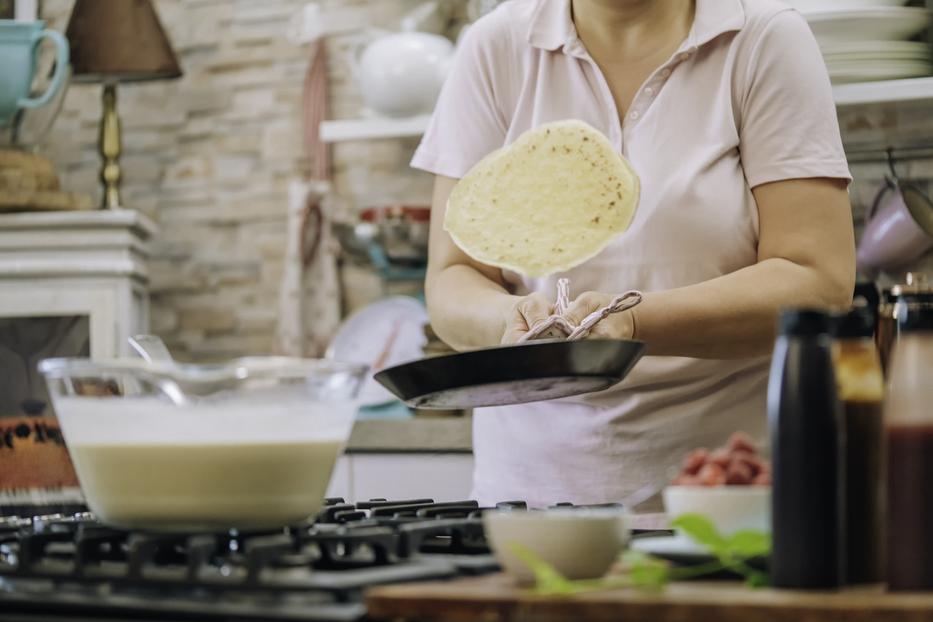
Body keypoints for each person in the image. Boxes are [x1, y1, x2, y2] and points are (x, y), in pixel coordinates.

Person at [411, 0, 855, 508]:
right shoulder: (496, 46)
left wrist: (629, 323)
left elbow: (817, 282)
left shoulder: (761, 39)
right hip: (529, 498)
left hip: (730, 491)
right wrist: (511, 320)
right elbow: (452, 278)